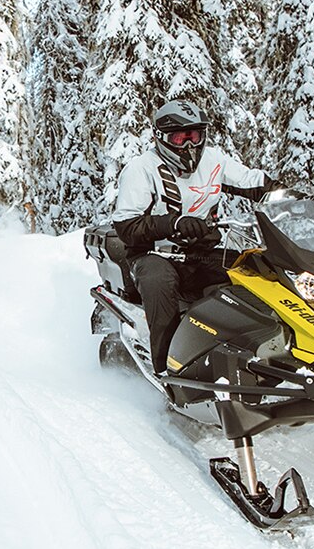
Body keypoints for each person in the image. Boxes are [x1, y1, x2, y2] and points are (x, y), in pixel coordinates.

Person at [111, 99, 284, 375]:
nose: (189, 146)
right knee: (159, 283)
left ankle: (266, 355)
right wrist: (173, 223)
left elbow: (252, 181)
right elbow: (127, 225)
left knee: (256, 273)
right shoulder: (142, 169)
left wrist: (287, 195)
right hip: (155, 255)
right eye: (180, 138)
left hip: (202, 252)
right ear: (162, 138)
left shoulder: (213, 161)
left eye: (195, 136)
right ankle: (168, 373)